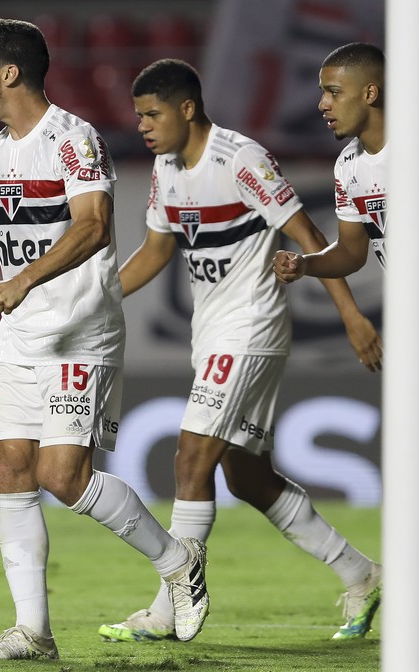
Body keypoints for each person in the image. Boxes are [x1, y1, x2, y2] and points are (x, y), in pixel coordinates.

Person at [0, 20, 209, 661]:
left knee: (63, 474)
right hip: (20, 335)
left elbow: (94, 225)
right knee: (11, 468)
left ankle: (175, 562)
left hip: (80, 331)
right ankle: (34, 632)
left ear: (10, 73)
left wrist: (22, 279)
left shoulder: (73, 140)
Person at [99, 58, 382, 643]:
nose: (144, 128)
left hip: (252, 326)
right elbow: (156, 252)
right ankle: (364, 574)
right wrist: (98, 298)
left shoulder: (241, 159)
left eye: (152, 115)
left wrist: (351, 316)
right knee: (246, 477)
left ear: (186, 108)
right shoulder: (165, 168)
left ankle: (173, 600)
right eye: (138, 118)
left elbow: (307, 238)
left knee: (189, 456)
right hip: (213, 331)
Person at [273, 43, 386, 289]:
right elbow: (350, 253)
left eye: (334, 92)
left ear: (369, 94)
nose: (322, 104)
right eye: (323, 92)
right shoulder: (348, 165)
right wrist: (305, 264)